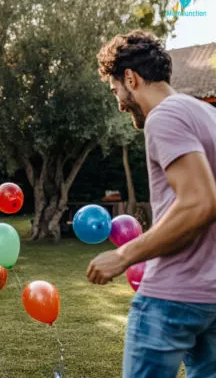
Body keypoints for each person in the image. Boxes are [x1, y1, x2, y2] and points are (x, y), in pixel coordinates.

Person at [87, 30, 216, 378]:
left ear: (131, 78)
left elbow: (200, 203)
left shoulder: (164, 116)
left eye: (116, 91)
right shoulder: (206, 115)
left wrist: (123, 255)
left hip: (173, 297)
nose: (119, 103)